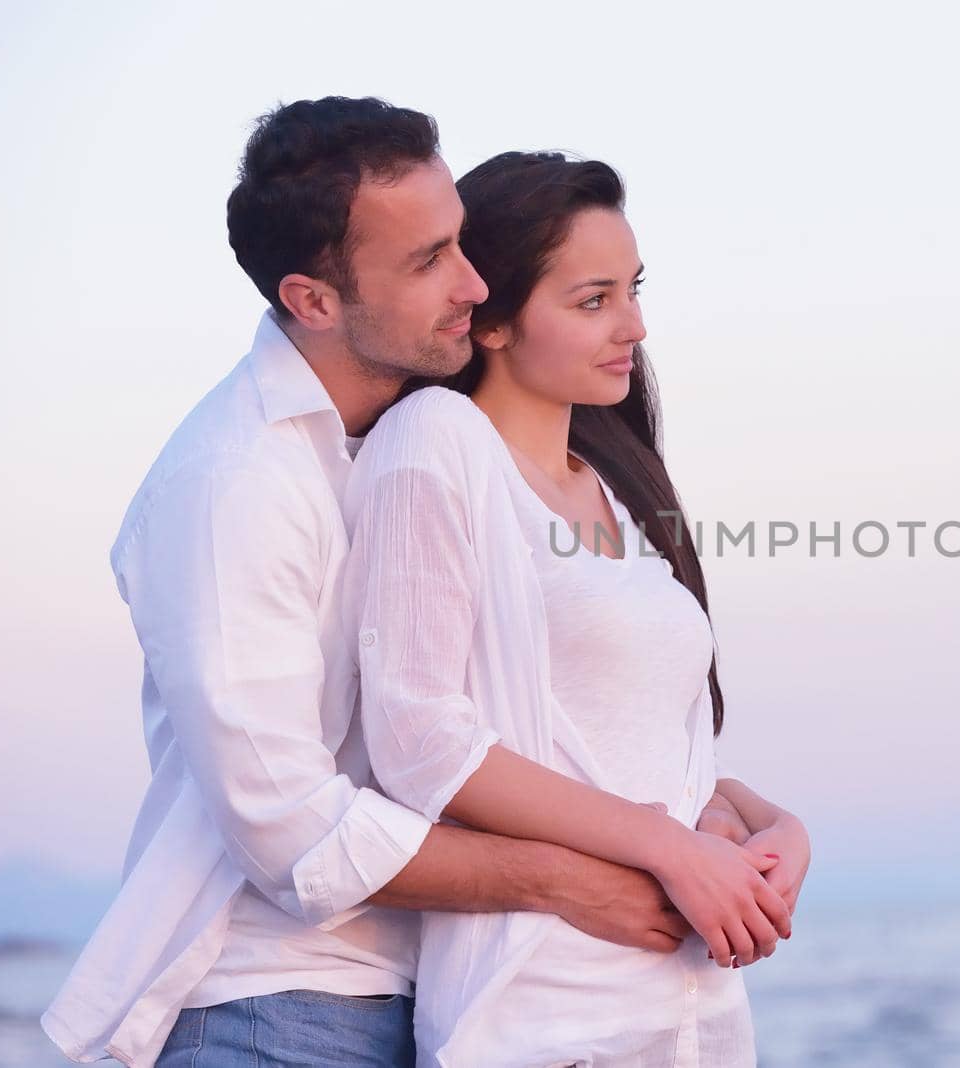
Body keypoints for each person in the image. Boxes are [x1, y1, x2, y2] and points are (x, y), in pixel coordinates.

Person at [42, 97, 760, 1068]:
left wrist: (721, 816)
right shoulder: (234, 485)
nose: (472, 283)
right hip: (275, 1008)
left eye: (459, 243)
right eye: (427, 263)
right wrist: (571, 878)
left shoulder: (411, 444)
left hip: (419, 992)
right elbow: (293, 832)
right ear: (314, 301)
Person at [340, 150, 812, 1067]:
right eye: (593, 300)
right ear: (496, 320)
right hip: (542, 1015)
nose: (633, 325)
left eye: (633, 290)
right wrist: (668, 851)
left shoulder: (620, 497)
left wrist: (764, 824)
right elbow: (420, 739)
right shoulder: (436, 445)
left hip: (691, 1012)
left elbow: (626, 744)